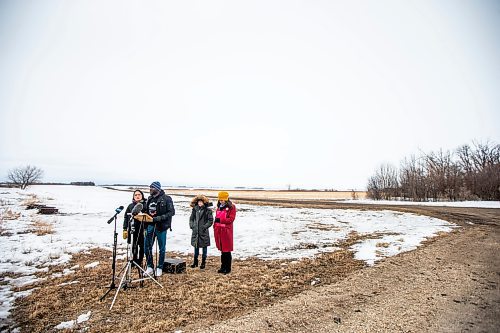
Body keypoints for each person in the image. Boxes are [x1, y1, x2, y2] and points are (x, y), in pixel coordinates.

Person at [144, 181, 175, 277]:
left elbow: (171, 212)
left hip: (161, 227)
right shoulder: (149, 199)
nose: (150, 190)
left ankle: (159, 267)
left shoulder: (166, 199)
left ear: (157, 188)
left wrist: (159, 218)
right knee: (147, 247)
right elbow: (146, 210)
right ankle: (149, 266)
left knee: (161, 248)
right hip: (150, 225)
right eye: (150, 188)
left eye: (152, 188)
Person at [123, 190, 146, 270]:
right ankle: (134, 260)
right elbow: (126, 217)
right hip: (132, 229)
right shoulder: (130, 206)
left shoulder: (145, 205)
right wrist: (124, 228)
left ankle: (140, 261)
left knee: (142, 246)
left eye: (139, 194)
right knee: (133, 246)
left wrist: (146, 228)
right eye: (135, 195)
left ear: (142, 195)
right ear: (133, 197)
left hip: (142, 229)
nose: (137, 196)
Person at [213, 191, 236, 274]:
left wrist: (221, 220)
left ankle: (228, 268)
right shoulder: (219, 207)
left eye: (223, 199)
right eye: (220, 200)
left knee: (227, 250)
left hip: (226, 231)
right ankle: (223, 267)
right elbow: (216, 219)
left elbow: (231, 219)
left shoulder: (232, 207)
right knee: (222, 250)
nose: (221, 201)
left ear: (226, 199)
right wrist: (215, 224)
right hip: (219, 231)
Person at [189, 195, 214, 269]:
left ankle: (203, 262)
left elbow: (210, 220)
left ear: (204, 202)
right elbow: (191, 219)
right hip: (196, 231)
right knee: (196, 247)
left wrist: (204, 227)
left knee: (204, 247)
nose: (200, 203)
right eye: (199, 202)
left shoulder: (208, 210)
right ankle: (195, 262)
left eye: (201, 202)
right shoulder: (195, 209)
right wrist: (192, 226)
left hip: (204, 232)